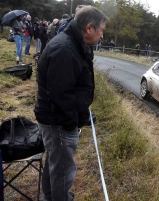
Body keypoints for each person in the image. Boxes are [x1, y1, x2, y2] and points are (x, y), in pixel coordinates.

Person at [34, 6, 109, 201]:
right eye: (101, 30)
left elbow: (76, 84)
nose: (102, 35)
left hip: (58, 118)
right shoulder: (64, 50)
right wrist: (71, 124)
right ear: (90, 28)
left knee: (55, 161)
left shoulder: (76, 43)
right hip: (58, 120)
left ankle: (50, 197)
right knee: (63, 169)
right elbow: (60, 95)